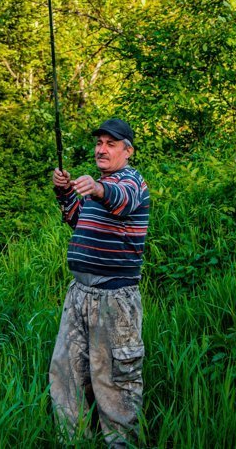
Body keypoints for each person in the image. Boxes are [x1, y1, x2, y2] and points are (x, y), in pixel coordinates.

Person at [49, 118, 150, 447]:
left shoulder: (132, 182)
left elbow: (121, 199)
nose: (101, 149)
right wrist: (65, 191)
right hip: (79, 294)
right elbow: (77, 219)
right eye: (99, 143)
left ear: (127, 151)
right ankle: (74, 441)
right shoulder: (99, 186)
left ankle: (122, 445)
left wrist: (98, 187)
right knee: (66, 376)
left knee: (114, 385)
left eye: (110, 144)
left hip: (113, 298)